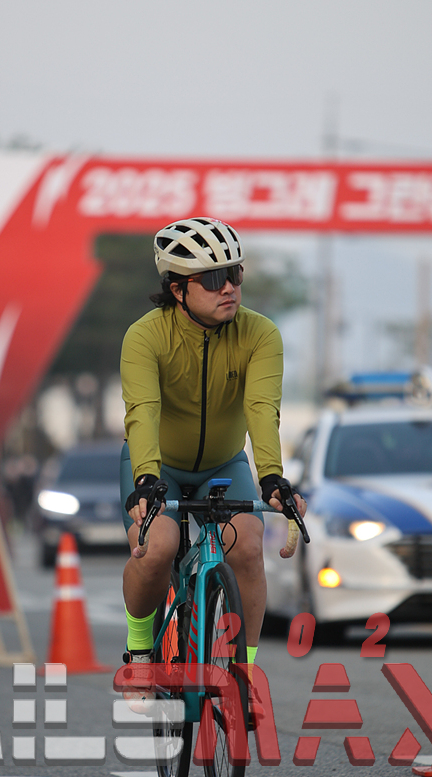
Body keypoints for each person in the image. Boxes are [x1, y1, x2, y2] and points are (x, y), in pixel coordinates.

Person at [119, 217, 306, 688]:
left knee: (247, 548)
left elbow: (262, 410)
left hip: (224, 464)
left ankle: (244, 674)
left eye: (235, 274)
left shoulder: (261, 334)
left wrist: (272, 478)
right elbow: (143, 411)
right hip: (157, 466)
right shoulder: (145, 336)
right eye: (213, 278)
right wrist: (146, 479)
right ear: (178, 289)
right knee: (158, 548)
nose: (229, 288)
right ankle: (140, 650)